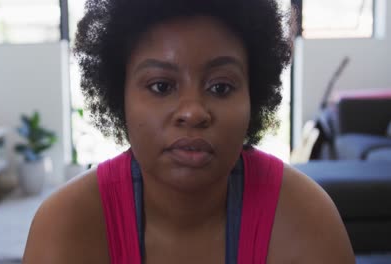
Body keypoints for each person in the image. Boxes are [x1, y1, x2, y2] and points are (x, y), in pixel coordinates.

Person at [23, 0, 355, 263]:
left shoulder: (306, 219)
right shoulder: (65, 226)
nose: (192, 112)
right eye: (161, 85)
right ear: (120, 95)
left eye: (221, 88)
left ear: (252, 95)